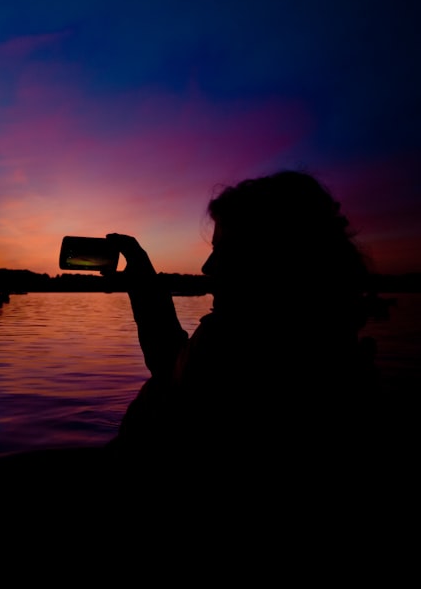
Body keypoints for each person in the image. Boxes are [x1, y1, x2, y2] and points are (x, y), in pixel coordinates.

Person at [102, 171, 379, 521]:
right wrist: (144, 286)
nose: (208, 266)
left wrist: (145, 287)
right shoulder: (321, 341)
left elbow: (175, 377)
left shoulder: (239, 342)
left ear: (280, 258)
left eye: (226, 251)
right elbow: (176, 369)